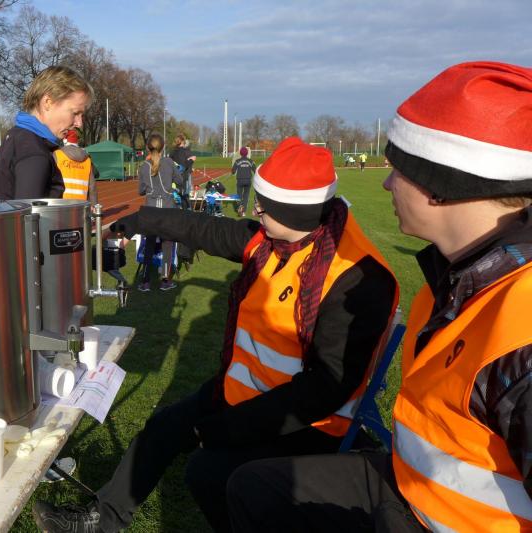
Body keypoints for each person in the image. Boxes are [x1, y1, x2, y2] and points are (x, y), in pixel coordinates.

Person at [224, 61, 532, 533]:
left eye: (399, 170)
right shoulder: (454, 278)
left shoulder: (522, 333)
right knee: (253, 488)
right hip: (410, 487)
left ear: (443, 186)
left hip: (441, 520)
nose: (387, 183)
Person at [33, 137, 399, 532]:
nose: (256, 209)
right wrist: (131, 222)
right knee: (162, 429)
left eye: (266, 205)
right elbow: (202, 227)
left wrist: (225, 428)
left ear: (295, 211)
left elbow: (323, 390)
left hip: (307, 424)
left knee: (209, 472)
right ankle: (101, 521)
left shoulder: (358, 278)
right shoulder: (275, 239)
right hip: (243, 391)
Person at [0, 65, 93, 200]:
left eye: (81, 115)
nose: (79, 123)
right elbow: (29, 211)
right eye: (75, 113)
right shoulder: (34, 151)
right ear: (47, 102)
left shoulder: (16, 136)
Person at [136, 133, 183, 292]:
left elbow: (140, 191)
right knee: (167, 245)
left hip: (151, 211)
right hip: (167, 210)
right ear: (163, 147)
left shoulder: (144, 166)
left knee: (149, 244)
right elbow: (180, 181)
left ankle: (145, 281)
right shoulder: (169, 162)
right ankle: (165, 280)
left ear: (148, 148)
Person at [55, 129, 98, 204]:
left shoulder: (57, 154)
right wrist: (94, 204)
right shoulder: (87, 159)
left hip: (61, 202)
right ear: (76, 141)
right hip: (81, 203)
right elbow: (92, 186)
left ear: (65, 140)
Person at [170, 134, 196, 207]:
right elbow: (182, 166)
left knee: (175, 196)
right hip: (183, 178)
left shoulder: (172, 152)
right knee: (184, 196)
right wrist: (191, 160)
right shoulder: (184, 152)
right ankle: (186, 210)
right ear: (182, 141)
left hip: (173, 178)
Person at [231, 147, 256, 216]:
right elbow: (255, 170)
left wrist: (232, 170)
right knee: (246, 196)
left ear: (240, 153)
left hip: (240, 180)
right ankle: (243, 211)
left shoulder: (237, 161)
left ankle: (240, 208)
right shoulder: (251, 161)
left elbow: (233, 171)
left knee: (239, 195)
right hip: (248, 180)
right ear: (247, 153)